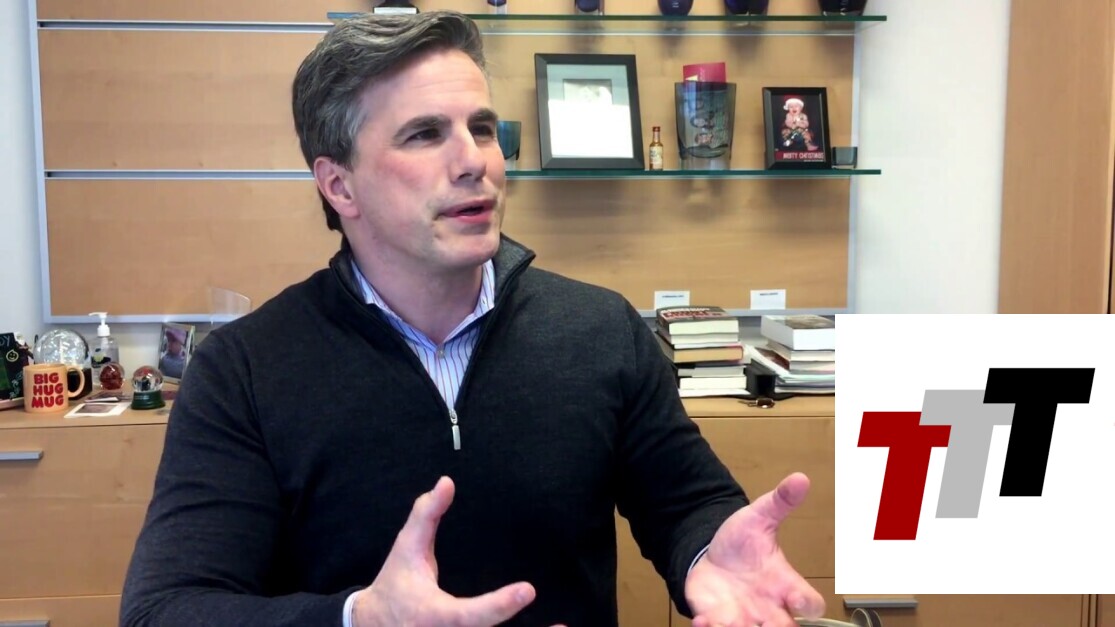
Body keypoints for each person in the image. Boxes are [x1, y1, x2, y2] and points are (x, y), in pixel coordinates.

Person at [120, 11, 825, 627]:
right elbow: (166, 608)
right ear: (339, 185)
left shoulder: (599, 330)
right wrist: (359, 618)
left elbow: (687, 501)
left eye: (482, 128)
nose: (474, 161)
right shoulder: (244, 370)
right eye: (424, 134)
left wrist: (706, 550)